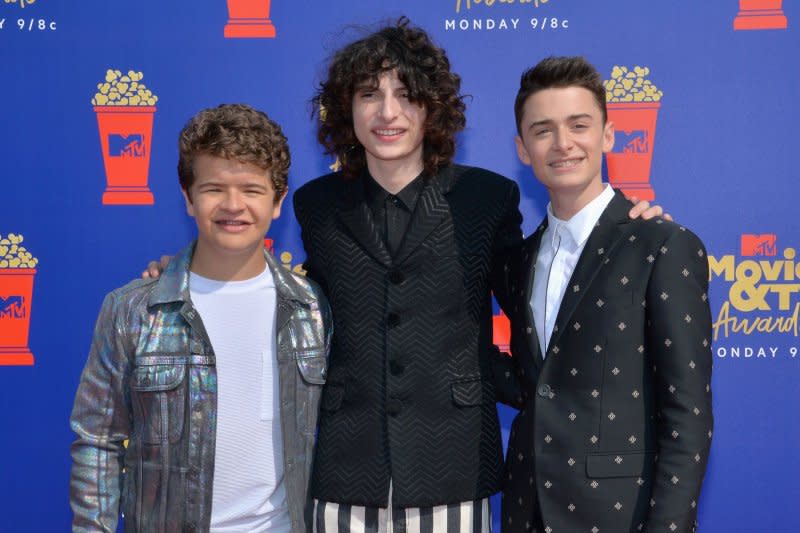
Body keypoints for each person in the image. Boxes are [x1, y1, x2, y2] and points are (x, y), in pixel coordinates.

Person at [143, 20, 662, 533]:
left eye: (405, 94)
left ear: (431, 107)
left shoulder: (485, 200)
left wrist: (617, 227)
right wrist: (189, 274)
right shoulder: (317, 206)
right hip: (346, 471)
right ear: (346, 109)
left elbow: (545, 295)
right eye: (369, 94)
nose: (387, 112)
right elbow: (291, 292)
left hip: (455, 469)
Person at [70, 104, 332, 532]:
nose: (233, 205)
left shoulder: (312, 310)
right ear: (188, 199)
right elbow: (97, 444)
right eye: (213, 189)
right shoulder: (132, 310)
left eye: (251, 189)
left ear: (278, 200)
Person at [499, 56, 713, 533]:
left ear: (609, 134)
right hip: (525, 511)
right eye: (543, 130)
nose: (563, 144)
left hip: (622, 516)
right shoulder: (518, 260)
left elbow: (688, 415)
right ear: (521, 148)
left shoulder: (662, 245)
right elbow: (533, 381)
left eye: (579, 125)